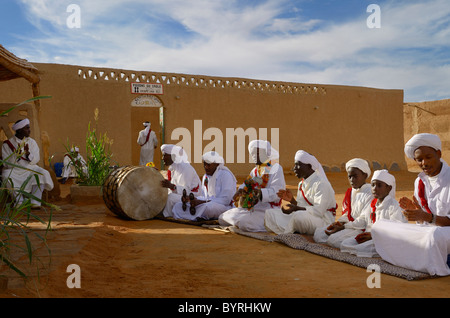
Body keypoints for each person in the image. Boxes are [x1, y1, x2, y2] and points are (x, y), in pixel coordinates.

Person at [372, 133, 450, 275]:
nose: (424, 163)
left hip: (442, 232)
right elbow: (423, 221)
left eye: (428, 157)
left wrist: (427, 217)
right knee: (381, 226)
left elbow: (434, 220)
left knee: (434, 236)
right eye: (419, 160)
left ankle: (434, 265)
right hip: (427, 230)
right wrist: (416, 212)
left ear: (438, 153)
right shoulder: (419, 181)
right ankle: (421, 260)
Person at [219, 140, 286, 232]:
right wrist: (240, 191)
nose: (254, 155)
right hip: (253, 207)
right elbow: (246, 184)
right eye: (253, 152)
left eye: (258, 152)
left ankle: (268, 224)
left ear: (266, 153)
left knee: (244, 223)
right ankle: (244, 221)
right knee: (222, 217)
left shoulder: (276, 168)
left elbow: (278, 192)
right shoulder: (255, 171)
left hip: (269, 210)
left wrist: (260, 193)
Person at [264, 150, 337, 235]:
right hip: (305, 216)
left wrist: (296, 209)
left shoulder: (321, 183)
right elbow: (301, 206)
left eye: (297, 165)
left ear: (309, 166)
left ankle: (292, 231)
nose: (294, 168)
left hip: (323, 220)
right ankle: (295, 230)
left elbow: (318, 211)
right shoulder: (301, 184)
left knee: (298, 217)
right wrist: (292, 200)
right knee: (270, 213)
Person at [340, 170, 406, 257]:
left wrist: (373, 236)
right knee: (345, 243)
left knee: (362, 248)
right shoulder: (372, 204)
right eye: (373, 185)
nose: (375, 188)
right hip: (370, 237)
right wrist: (345, 226)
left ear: (389, 188)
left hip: (384, 240)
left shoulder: (393, 206)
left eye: (379, 186)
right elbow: (363, 220)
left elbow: (394, 229)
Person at [314, 158, 373, 247]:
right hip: (348, 225)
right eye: (350, 176)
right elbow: (347, 213)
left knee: (333, 241)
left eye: (355, 176)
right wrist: (340, 223)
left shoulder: (370, 192)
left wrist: (344, 227)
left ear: (364, 175)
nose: (352, 179)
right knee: (318, 234)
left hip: (360, 228)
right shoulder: (350, 192)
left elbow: (364, 221)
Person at [1, 118, 54, 208]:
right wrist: (16, 156)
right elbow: (6, 163)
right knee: (6, 175)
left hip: (30, 168)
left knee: (42, 173)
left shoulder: (32, 142)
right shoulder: (7, 144)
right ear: (19, 130)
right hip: (15, 170)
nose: (29, 130)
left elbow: (36, 159)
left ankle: (35, 202)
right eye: (27, 128)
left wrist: (28, 154)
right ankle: (19, 201)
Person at [172, 151, 237, 221]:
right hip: (206, 203)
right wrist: (193, 199)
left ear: (217, 164)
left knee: (207, 208)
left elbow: (225, 200)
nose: (206, 167)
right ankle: (197, 216)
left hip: (223, 207)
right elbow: (204, 196)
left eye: (208, 165)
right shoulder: (205, 177)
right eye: (204, 164)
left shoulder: (225, 175)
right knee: (178, 205)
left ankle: (196, 216)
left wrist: (202, 202)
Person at [160, 144, 201, 218]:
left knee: (170, 198)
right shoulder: (172, 168)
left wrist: (171, 186)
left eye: (164, 155)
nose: (162, 158)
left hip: (192, 197)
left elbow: (187, 191)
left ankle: (166, 216)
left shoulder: (185, 168)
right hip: (180, 195)